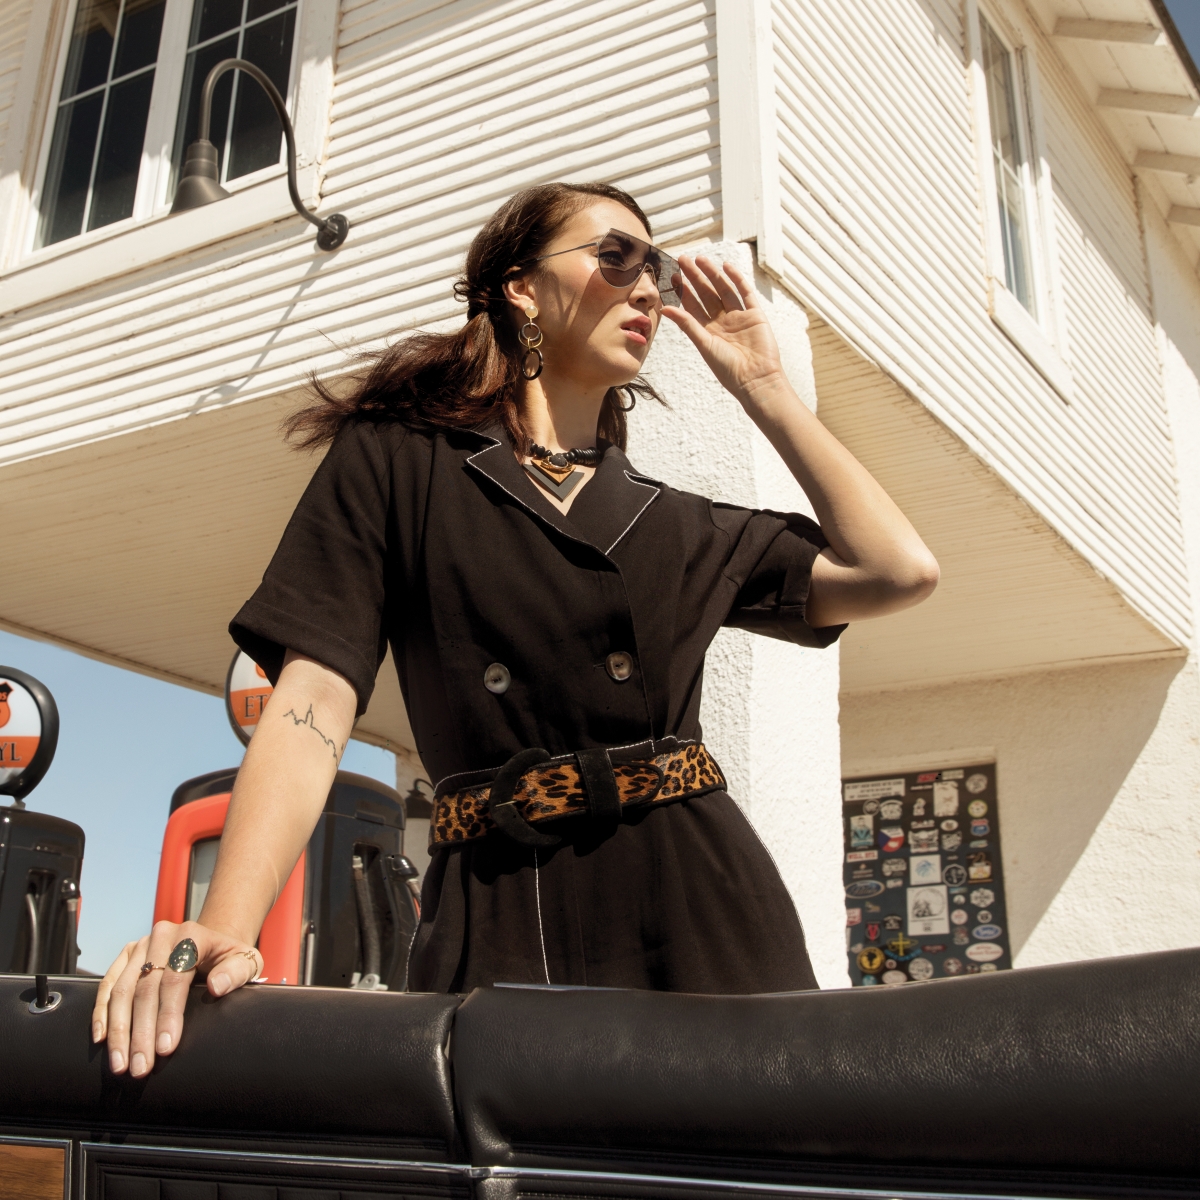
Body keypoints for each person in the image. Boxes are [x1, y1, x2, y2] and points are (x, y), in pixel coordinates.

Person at [93, 182, 938, 1077]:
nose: (646, 286)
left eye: (655, 268)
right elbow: (314, 701)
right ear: (521, 287)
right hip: (494, 912)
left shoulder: (673, 522)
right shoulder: (399, 459)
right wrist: (222, 929)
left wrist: (764, 387)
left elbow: (898, 570)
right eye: (616, 257)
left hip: (698, 911)